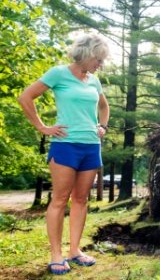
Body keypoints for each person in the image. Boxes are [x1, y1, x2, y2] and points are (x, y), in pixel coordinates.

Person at [18, 33, 110, 275]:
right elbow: (25, 96)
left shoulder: (94, 80)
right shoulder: (58, 73)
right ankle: (56, 255)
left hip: (91, 146)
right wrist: (42, 127)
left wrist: (103, 126)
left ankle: (74, 251)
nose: (100, 65)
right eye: (98, 59)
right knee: (60, 199)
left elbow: (104, 106)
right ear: (87, 54)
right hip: (65, 145)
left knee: (81, 200)